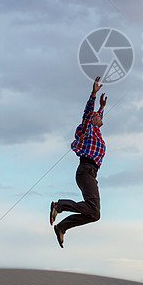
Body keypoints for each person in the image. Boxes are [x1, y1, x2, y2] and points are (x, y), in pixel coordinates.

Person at [50, 76, 107, 248]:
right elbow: (89, 114)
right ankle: (58, 206)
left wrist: (102, 107)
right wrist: (93, 95)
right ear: (93, 120)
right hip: (85, 170)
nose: (99, 116)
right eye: (97, 116)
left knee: (94, 214)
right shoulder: (88, 128)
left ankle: (62, 227)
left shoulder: (96, 131)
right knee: (93, 209)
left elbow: (97, 115)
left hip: (91, 172)